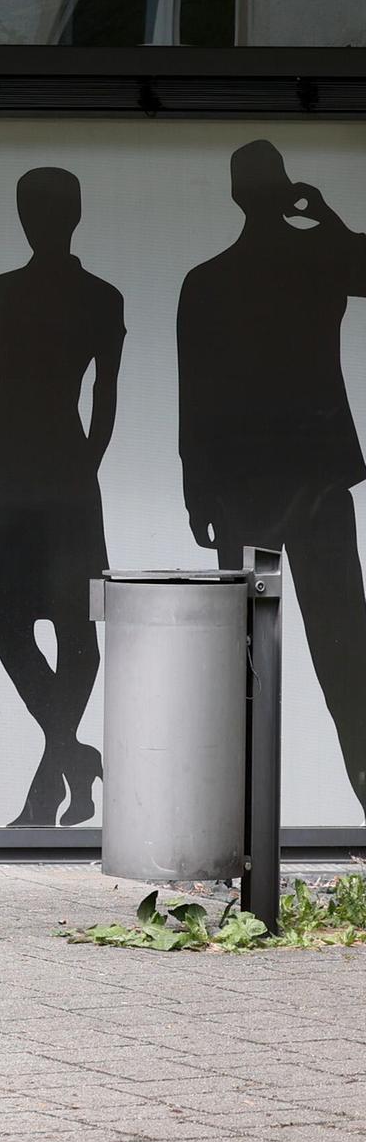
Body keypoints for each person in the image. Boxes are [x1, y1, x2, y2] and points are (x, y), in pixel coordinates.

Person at [177, 139, 366, 821]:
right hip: (314, 484)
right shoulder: (316, 260)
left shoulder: (208, 280)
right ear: (285, 188)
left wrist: (196, 490)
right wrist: (325, 215)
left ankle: (238, 824)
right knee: (346, 657)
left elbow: (191, 394)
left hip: (242, 490)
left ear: (234, 195)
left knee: (248, 659)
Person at [0, 167, 124, 827]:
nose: (40, 219)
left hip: (44, 475)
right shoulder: (6, 295)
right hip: (22, 478)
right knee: (12, 626)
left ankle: (47, 784)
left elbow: (103, 399)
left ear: (70, 215)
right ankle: (69, 761)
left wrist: (82, 468)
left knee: (75, 632)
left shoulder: (91, 298)